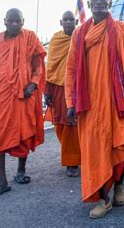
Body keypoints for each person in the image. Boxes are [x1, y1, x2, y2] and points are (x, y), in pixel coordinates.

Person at [65, 0, 124, 219]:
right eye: (96, 0)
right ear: (90, 4)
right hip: (89, 104)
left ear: (109, 2)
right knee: (94, 151)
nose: (100, 3)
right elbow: (71, 68)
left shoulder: (122, 31)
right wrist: (70, 101)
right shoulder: (80, 33)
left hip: (117, 100)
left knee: (119, 144)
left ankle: (119, 185)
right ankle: (103, 198)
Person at [0, 8, 46, 196]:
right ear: (5, 21)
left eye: (18, 21)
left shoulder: (30, 38)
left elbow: (39, 67)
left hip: (23, 96)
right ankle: (1, 181)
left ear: (23, 21)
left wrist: (33, 84)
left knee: (23, 132)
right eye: (11, 21)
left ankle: (20, 171)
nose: (15, 24)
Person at [44, 11, 81, 177]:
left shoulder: (81, 37)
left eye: (71, 20)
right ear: (61, 22)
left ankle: (72, 162)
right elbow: (50, 66)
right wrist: (47, 91)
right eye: (65, 20)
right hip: (58, 87)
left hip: (77, 87)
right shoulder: (56, 40)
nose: (68, 22)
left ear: (77, 21)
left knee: (73, 125)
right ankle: (72, 156)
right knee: (60, 124)